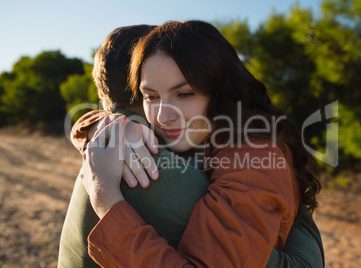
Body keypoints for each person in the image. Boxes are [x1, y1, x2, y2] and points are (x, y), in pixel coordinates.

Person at [58, 24, 324, 268]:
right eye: (151, 96)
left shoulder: (253, 154)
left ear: (221, 89)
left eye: (184, 94)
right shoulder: (169, 138)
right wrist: (101, 125)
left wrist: (106, 200)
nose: (163, 116)